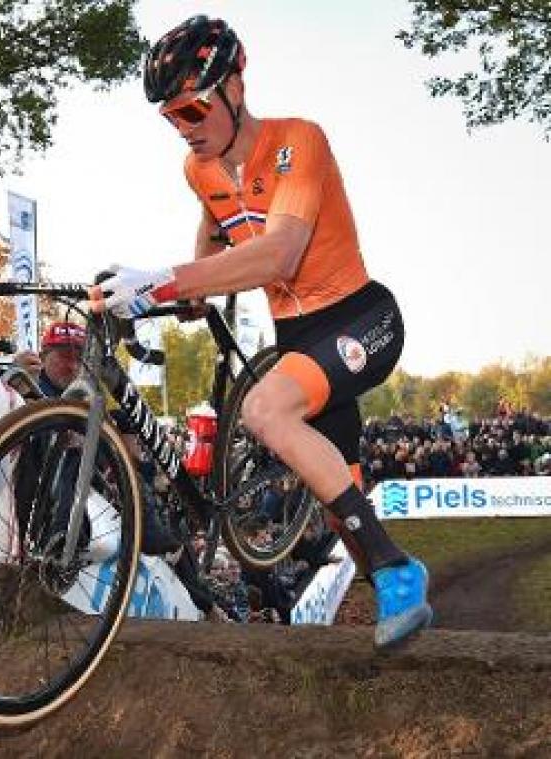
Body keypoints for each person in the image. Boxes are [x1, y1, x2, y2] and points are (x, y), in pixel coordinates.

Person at [89, 15, 432, 648]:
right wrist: (200, 292)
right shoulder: (201, 170)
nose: (184, 131)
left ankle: (397, 568)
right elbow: (215, 225)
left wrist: (166, 282)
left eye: (192, 112)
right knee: (341, 502)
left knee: (264, 410)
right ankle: (382, 572)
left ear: (234, 90)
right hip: (297, 340)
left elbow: (279, 256)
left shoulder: (298, 141)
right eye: (171, 119)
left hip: (360, 318)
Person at [13, 321, 226, 622]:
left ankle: (207, 604)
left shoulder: (91, 395)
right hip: (45, 501)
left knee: (162, 535)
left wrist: (131, 457)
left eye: (78, 356)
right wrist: (9, 375)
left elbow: (121, 453)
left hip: (93, 499)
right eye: (62, 355)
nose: (71, 364)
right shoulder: (31, 385)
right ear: (43, 355)